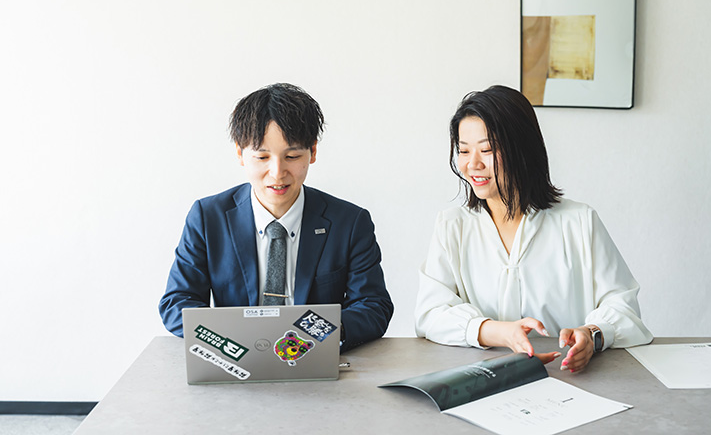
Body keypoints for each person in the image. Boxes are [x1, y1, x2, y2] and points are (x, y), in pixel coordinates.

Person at [415, 85, 652, 372]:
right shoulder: (452, 226)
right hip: (483, 378)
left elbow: (624, 307)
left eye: (487, 150)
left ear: (522, 149)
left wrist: (592, 335)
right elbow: (430, 313)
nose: (472, 164)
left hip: (566, 377)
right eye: (464, 151)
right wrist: (498, 331)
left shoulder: (579, 221)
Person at [160, 83, 393, 352]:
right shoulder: (207, 217)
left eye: (292, 156)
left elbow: (373, 305)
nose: (277, 172)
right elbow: (177, 303)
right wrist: (236, 341)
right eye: (262, 157)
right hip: (236, 359)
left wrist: (313, 334)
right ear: (240, 153)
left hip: (315, 359)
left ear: (313, 152)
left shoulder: (350, 222)